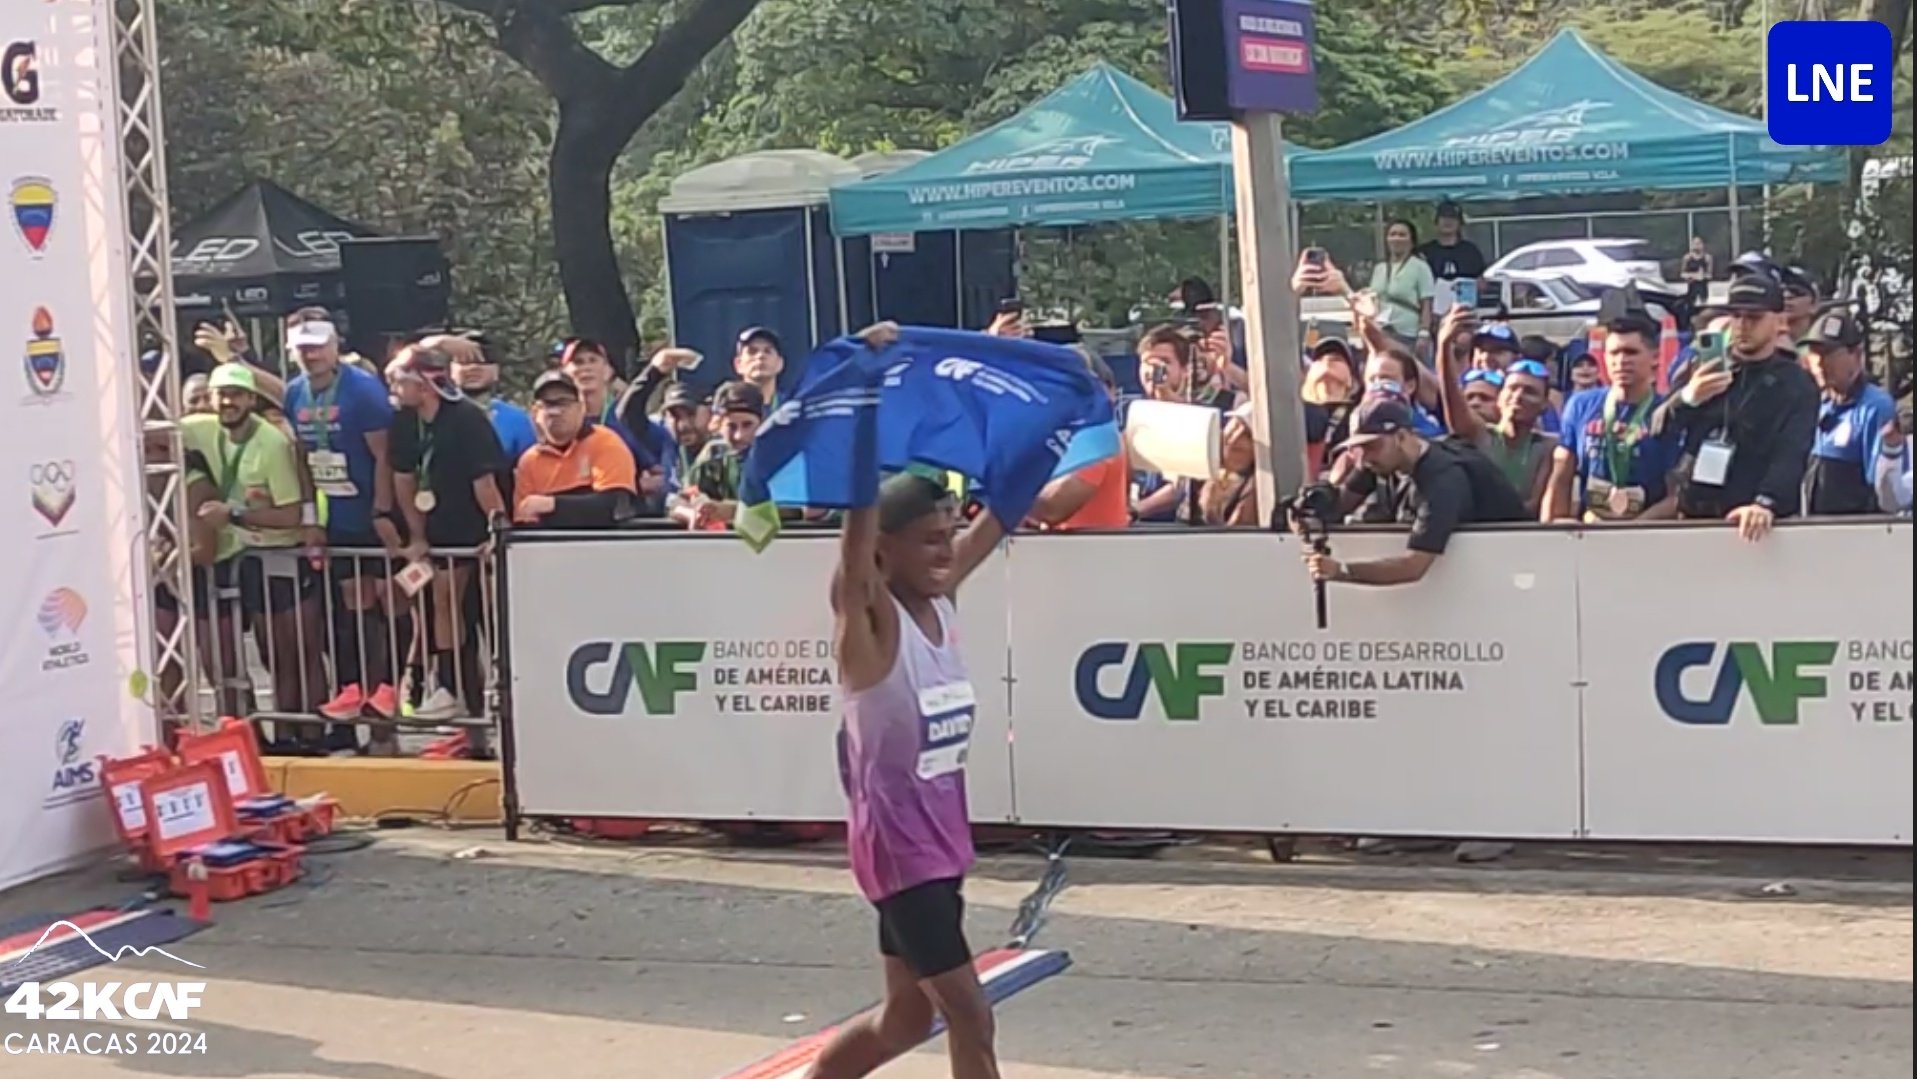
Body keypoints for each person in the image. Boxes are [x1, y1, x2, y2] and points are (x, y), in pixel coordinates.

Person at [809, 327, 1009, 1079]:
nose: (944, 551)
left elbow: (1009, 505)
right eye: (926, 540)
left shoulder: (942, 599)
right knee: (968, 1011)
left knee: (907, 1012)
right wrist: (865, 401)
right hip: (900, 853)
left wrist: (1062, 408)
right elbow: (854, 543)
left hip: (941, 842)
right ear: (884, 550)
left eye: (948, 536)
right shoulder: (870, 624)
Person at [186, 363, 326, 741]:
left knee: (300, 650)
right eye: (221, 394)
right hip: (250, 559)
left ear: (251, 398)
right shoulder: (200, 428)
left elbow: (292, 513)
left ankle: (311, 734)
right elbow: (148, 428)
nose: (227, 401)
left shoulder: (272, 445)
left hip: (287, 554)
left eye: (236, 394)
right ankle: (280, 735)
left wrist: (233, 513)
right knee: (272, 654)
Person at [281, 314, 404, 730]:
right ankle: (354, 685)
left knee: (390, 597)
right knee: (353, 601)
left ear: (335, 346)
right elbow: (300, 455)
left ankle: (390, 685)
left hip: (377, 512)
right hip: (338, 513)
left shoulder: (362, 391)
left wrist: (384, 511)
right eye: (302, 348)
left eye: (317, 346)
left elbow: (386, 455)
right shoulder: (294, 393)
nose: (310, 354)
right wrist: (310, 516)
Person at [389, 343, 509, 721]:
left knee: (451, 602)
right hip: (433, 529)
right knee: (424, 601)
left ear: (424, 385)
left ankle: (456, 689)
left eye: (401, 380)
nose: (394, 388)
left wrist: (499, 535)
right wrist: (416, 535)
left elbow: (485, 483)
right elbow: (403, 480)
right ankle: (445, 686)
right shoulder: (406, 422)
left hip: (470, 531)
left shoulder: (467, 420)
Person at [1303, 396, 1529, 587]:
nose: (1366, 457)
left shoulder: (1443, 478)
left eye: (1372, 445)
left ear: (1401, 437)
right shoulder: (1380, 460)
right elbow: (1341, 504)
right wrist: (1308, 512)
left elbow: (1414, 566)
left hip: (1509, 575)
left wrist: (1341, 570)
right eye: (1359, 448)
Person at [1667, 274, 1820, 541]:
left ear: (1778, 321)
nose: (1743, 325)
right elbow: (1658, 430)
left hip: (1757, 525)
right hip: (1695, 516)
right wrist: (1689, 397)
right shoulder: (1706, 366)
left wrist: (1766, 502)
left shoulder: (1796, 383)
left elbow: (1792, 452)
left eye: (1754, 317)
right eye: (1736, 316)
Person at [1545, 309, 1684, 523]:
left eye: (1631, 352)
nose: (1621, 361)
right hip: (1592, 531)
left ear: (1655, 357)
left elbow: (1677, 495)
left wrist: (1633, 529)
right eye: (1614, 353)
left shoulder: (1668, 411)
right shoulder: (1580, 405)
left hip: (1648, 531)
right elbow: (1561, 477)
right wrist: (1549, 529)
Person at [1434, 307, 1557, 516]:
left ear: (1545, 404)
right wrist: (1444, 345)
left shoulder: (1549, 447)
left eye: (1530, 392)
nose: (1518, 397)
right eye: (1512, 389)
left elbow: (1536, 507)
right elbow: (1453, 404)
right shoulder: (1481, 435)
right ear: (1499, 397)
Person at [1799, 308, 1899, 516]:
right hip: (1812, 531)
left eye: (1829, 354)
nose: (1820, 363)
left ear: (1857, 354)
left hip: (1853, 534)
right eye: (1814, 354)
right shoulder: (1816, 403)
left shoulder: (1875, 406)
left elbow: (1882, 487)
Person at [512, 370, 638, 528]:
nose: (555, 412)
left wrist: (552, 505)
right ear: (535, 413)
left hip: (607, 545)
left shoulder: (604, 442)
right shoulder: (529, 461)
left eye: (564, 403)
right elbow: (524, 521)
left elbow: (616, 507)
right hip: (548, 549)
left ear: (581, 408)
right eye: (548, 404)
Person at [1026, 351, 1130, 531]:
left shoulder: (1097, 438)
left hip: (1093, 554)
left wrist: (1000, 494)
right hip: (1068, 552)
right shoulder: (1061, 435)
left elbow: (1053, 508)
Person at [670, 380, 766, 528]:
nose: (739, 435)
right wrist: (692, 512)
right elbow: (679, 500)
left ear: (762, 422)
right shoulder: (714, 453)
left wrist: (733, 511)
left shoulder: (781, 454)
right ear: (719, 425)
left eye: (748, 425)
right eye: (731, 427)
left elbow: (800, 511)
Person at [442, 332, 536, 463]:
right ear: (450, 369)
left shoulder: (517, 419)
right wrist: (438, 343)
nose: (474, 367)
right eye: (465, 361)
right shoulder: (434, 414)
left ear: (496, 371)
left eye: (484, 361)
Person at [1368, 218, 1435, 345]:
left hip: (1408, 334)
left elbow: (1427, 304)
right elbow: (1373, 300)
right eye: (1392, 234)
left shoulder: (1420, 267)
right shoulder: (1379, 269)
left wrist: (1424, 333)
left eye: (1402, 235)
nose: (1396, 238)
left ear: (1412, 241)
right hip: (1381, 332)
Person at [1416, 200, 1488, 283]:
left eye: (1452, 217)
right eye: (1443, 217)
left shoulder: (1471, 251)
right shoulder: (1425, 252)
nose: (1448, 221)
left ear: (1460, 223)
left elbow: (1482, 278)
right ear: (1436, 221)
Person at [734, 326, 786, 406]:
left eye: (768, 351)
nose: (760, 356)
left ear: (780, 363)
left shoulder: (794, 408)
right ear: (738, 364)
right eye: (752, 351)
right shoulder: (728, 409)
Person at [1680, 237, 1714, 310]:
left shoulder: (1707, 258)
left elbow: (1710, 275)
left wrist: (1703, 276)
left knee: (1703, 306)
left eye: (1699, 243)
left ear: (1702, 245)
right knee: (1690, 305)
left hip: (1703, 286)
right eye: (1695, 244)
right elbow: (1682, 274)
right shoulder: (1687, 258)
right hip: (1692, 286)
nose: (1697, 246)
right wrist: (1693, 275)